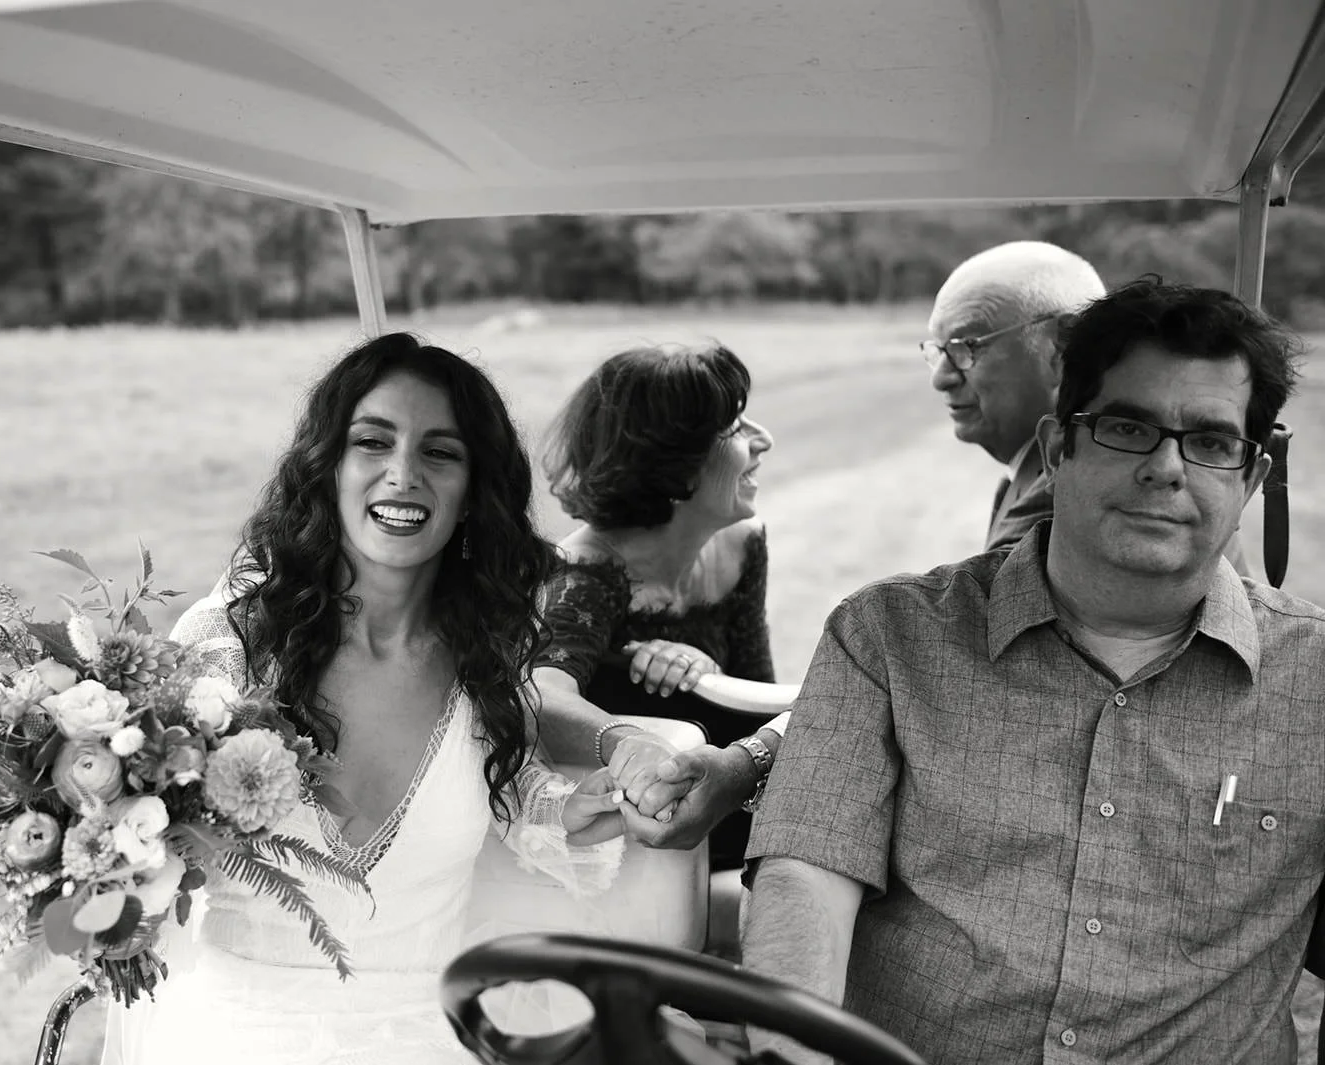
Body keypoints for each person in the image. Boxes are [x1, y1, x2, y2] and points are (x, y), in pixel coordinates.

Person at [743, 278, 1324, 1065]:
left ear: (1250, 480)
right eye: (1128, 427)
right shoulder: (888, 638)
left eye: (1212, 442)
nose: (1166, 467)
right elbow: (804, 884)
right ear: (1058, 449)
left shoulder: (1314, 680)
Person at [106, 333, 627, 1065]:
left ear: (474, 492)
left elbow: (507, 784)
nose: (402, 473)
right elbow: (137, 830)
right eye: (372, 441)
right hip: (230, 1034)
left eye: (440, 452)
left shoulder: (486, 659)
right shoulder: (230, 645)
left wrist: (570, 807)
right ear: (330, 468)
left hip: (428, 1038)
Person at [531, 342, 786, 881]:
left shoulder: (742, 546)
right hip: (640, 865)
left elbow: (757, 696)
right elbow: (538, 695)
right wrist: (629, 742)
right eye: (736, 430)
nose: (763, 441)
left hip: (737, 830)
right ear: (673, 463)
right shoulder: (586, 574)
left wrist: (707, 676)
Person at [922, 240, 1106, 550]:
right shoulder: (1040, 478)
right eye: (939, 351)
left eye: (967, 346)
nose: (940, 378)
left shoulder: (1059, 515)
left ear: (1063, 350)